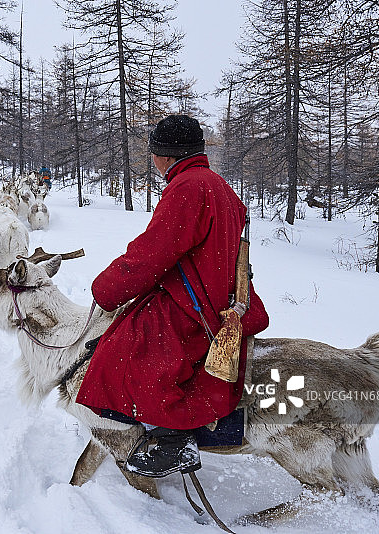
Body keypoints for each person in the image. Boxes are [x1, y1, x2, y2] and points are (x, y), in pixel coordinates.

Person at [75, 115, 269, 477]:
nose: (152, 160)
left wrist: (106, 289)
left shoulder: (188, 188)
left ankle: (173, 438)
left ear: (165, 155)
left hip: (196, 305)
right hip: (216, 296)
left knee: (128, 350)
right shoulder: (218, 185)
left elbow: (152, 254)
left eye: (154, 153)